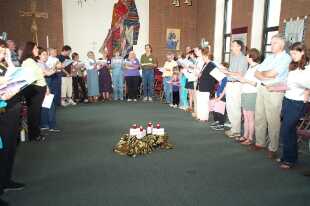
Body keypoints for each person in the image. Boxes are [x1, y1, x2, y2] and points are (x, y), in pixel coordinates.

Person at [252, 34, 291, 160]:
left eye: (274, 43)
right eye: (271, 42)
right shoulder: (269, 57)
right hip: (262, 88)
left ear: (282, 45)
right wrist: (265, 75)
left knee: (273, 120)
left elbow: (273, 73)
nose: (271, 45)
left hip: (274, 91)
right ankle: (260, 142)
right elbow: (256, 72)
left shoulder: (286, 58)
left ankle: (273, 148)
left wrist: (265, 74)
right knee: (259, 116)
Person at [0, 40, 25, 206]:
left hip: (11, 110)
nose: (3, 52)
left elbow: (15, 75)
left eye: (4, 50)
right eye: (1, 50)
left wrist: (8, 60)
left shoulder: (3, 66)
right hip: (3, 110)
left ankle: (5, 180)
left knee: (9, 148)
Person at [278, 42, 310, 169]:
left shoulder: (308, 67)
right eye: (291, 53)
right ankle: (288, 156)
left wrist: (307, 91)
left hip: (299, 102)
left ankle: (290, 159)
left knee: (287, 129)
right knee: (287, 130)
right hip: (288, 99)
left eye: (295, 53)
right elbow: (289, 83)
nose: (293, 56)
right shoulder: (293, 66)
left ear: (302, 52)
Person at [221, 40, 248, 138]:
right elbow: (232, 72)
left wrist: (227, 72)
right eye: (231, 45)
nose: (231, 47)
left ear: (239, 47)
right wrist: (225, 71)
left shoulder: (243, 58)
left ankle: (236, 130)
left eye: (233, 45)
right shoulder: (232, 57)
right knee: (229, 107)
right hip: (230, 83)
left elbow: (239, 74)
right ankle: (233, 128)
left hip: (237, 84)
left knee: (235, 107)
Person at [21, 41, 47, 142]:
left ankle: (35, 133)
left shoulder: (32, 60)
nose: (37, 50)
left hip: (37, 89)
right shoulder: (28, 61)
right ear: (30, 50)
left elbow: (40, 74)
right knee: (34, 113)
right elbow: (30, 77)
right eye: (35, 48)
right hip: (34, 89)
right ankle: (34, 135)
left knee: (35, 112)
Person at [236, 48, 261, 145]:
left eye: (247, 55)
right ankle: (245, 135)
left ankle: (250, 138)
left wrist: (244, 80)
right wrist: (241, 79)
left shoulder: (258, 67)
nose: (246, 56)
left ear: (251, 56)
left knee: (250, 117)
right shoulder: (250, 67)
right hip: (245, 93)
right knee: (245, 116)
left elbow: (256, 83)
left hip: (252, 94)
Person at [37, 47, 60, 132]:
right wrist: (55, 67)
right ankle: (52, 126)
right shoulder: (39, 64)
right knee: (50, 106)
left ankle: (44, 124)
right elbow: (47, 73)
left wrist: (55, 67)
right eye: (44, 54)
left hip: (45, 84)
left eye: (46, 54)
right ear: (39, 56)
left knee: (45, 106)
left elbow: (49, 71)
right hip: (44, 85)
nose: (46, 56)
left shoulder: (43, 63)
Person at [196, 47, 217, 122]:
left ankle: (204, 117)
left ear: (207, 56)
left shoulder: (212, 65)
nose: (203, 58)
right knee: (200, 101)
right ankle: (200, 115)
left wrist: (202, 76)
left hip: (206, 86)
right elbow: (202, 73)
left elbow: (213, 77)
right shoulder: (205, 64)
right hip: (201, 85)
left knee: (204, 103)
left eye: (204, 57)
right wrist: (199, 75)